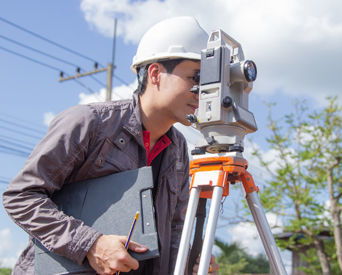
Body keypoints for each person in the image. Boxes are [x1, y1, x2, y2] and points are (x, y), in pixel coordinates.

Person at [2, 16, 219, 274]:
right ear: (155, 74)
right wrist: (90, 244)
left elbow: (174, 230)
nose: (202, 92)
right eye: (195, 78)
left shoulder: (179, 149)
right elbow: (21, 196)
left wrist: (187, 264)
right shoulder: (89, 123)